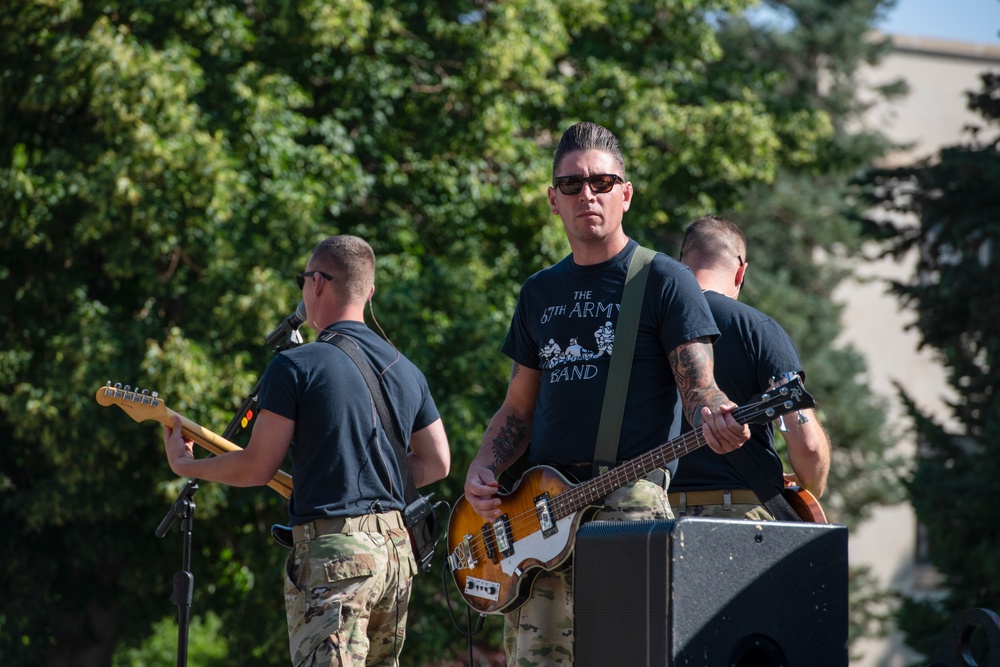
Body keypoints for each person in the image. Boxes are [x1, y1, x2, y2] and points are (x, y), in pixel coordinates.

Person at [462, 122, 749, 667]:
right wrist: (482, 467)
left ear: (626, 193)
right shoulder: (539, 291)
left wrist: (717, 414)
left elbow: (699, 384)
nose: (586, 194)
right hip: (539, 511)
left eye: (601, 181)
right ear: (553, 199)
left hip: (626, 504)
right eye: (571, 185)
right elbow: (518, 406)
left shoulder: (665, 280)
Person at [162, 235, 451, 667]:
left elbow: (258, 466)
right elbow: (437, 462)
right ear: (368, 291)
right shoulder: (406, 368)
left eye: (304, 280)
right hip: (395, 556)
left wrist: (187, 464)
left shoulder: (296, 365)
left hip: (337, 557)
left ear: (317, 283)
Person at [672, 215, 831, 520]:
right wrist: (812, 485)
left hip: (650, 520)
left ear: (680, 265)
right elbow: (808, 445)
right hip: (737, 516)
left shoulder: (641, 330)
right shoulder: (757, 328)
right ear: (741, 271)